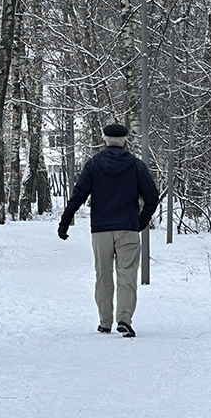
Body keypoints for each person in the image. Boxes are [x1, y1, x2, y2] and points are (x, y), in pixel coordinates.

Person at [58, 123, 159, 337]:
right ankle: (124, 319)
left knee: (103, 275)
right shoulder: (136, 165)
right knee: (127, 275)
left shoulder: (94, 165)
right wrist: (140, 222)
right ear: (125, 142)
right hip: (128, 229)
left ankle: (105, 322)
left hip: (101, 230)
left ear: (104, 142)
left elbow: (78, 195)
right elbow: (152, 197)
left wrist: (65, 222)